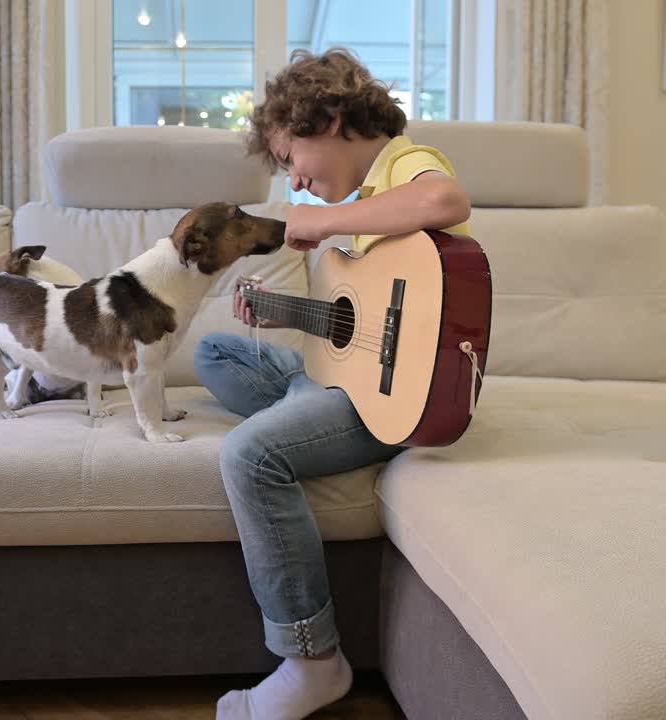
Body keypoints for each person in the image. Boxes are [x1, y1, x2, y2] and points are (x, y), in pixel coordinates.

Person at [193, 47, 472, 719]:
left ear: (334, 118)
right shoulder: (361, 217)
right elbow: (351, 330)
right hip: (342, 383)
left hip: (396, 405)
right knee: (214, 354)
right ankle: (299, 409)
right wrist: (282, 311)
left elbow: (444, 199)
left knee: (250, 455)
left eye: (293, 159)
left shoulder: (405, 166)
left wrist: (321, 220)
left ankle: (312, 661)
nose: (296, 181)